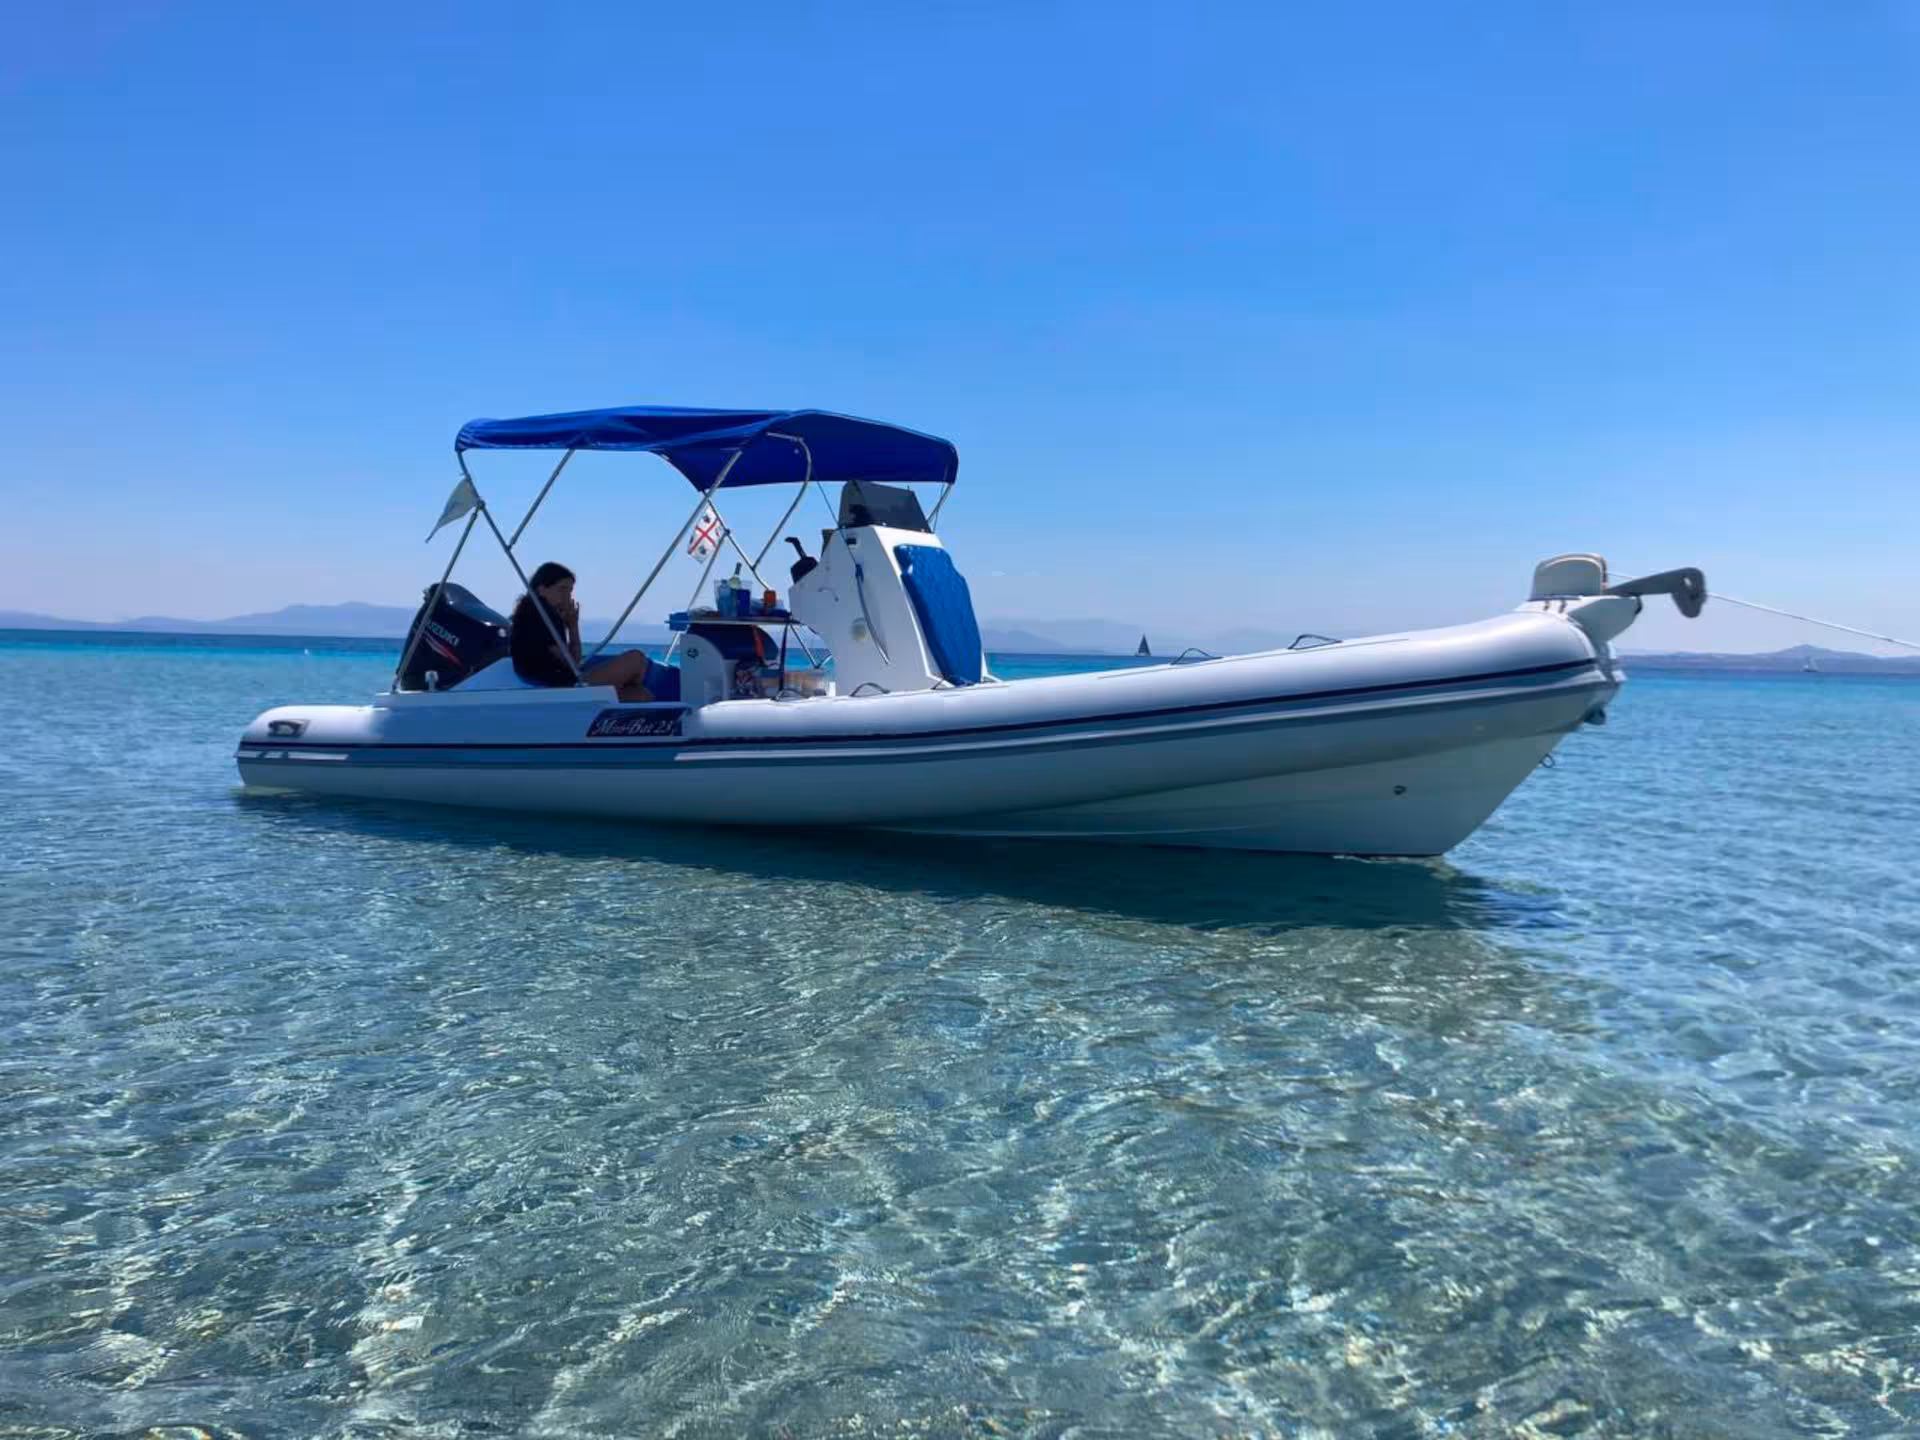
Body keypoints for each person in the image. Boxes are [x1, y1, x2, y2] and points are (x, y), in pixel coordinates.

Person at [510, 561, 665, 702]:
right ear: (542, 590)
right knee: (636, 658)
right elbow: (573, 661)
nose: (567, 596)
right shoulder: (542, 616)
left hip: (558, 684)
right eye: (562, 589)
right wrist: (572, 626)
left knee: (642, 695)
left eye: (570, 591)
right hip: (565, 688)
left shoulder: (531, 613)